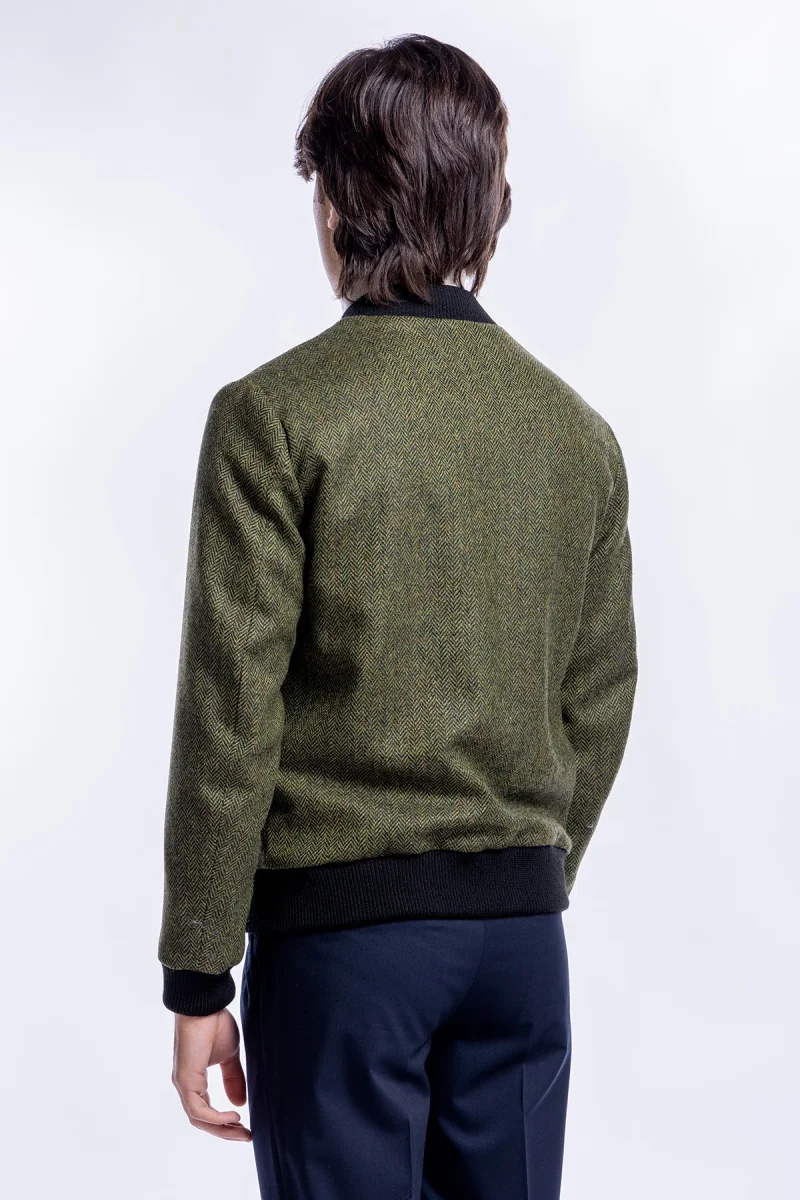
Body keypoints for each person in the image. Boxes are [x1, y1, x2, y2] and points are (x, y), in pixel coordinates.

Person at [158, 32, 638, 1200]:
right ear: (488, 207)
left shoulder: (274, 417)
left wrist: (199, 975)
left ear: (333, 204)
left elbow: (232, 714)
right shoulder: (575, 435)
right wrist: (520, 867)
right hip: (520, 949)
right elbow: (599, 698)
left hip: (343, 949)